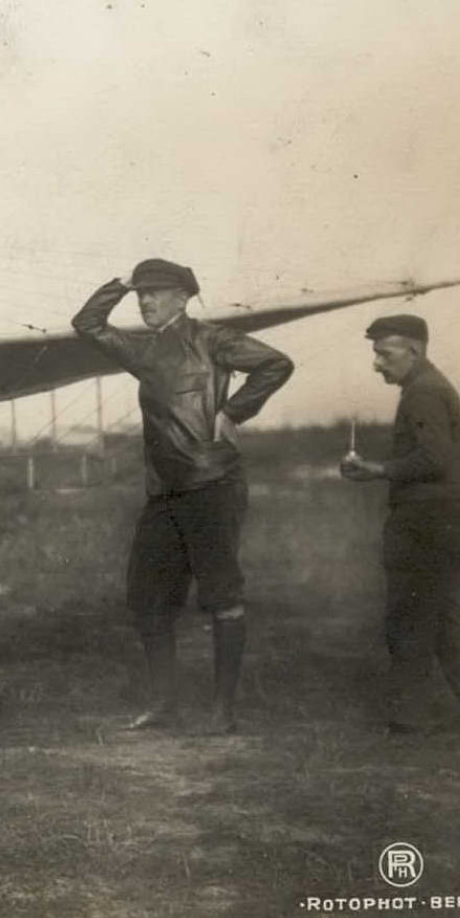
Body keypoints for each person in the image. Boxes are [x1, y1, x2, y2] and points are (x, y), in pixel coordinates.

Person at [73, 259, 293, 734]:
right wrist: (121, 283)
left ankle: (222, 712)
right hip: (165, 493)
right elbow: (86, 324)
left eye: (156, 292)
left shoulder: (212, 339)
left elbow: (276, 363)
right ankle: (164, 704)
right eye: (141, 294)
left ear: (183, 297)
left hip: (213, 485)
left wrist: (234, 410)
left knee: (221, 595)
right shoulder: (141, 349)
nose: (146, 301)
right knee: (146, 598)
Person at [340, 314, 460, 733]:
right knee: (444, 619)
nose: (377, 365)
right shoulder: (431, 386)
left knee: (409, 619)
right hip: (451, 517)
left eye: (384, 355)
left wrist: (375, 469)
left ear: (414, 351)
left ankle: (408, 722)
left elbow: (433, 458)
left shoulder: (423, 392)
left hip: (428, 521)